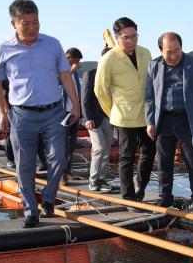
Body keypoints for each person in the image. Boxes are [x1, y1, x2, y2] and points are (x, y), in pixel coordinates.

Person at [0, 0, 80, 228]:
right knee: (25, 165)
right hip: (21, 116)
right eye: (25, 23)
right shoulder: (3, 48)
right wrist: (2, 111)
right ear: (13, 24)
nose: (32, 27)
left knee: (59, 157)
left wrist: (76, 105)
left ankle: (49, 198)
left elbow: (65, 76)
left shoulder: (52, 44)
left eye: (36, 22)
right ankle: (31, 211)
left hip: (53, 112)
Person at [145, 32, 193, 212]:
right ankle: (164, 198)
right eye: (169, 52)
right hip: (163, 120)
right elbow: (149, 97)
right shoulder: (153, 66)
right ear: (160, 50)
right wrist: (150, 121)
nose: (173, 56)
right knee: (163, 163)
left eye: (177, 51)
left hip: (188, 120)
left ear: (182, 48)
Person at [94, 17, 155, 202]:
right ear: (116, 37)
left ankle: (140, 184)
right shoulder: (109, 59)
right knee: (126, 157)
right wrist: (111, 111)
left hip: (146, 113)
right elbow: (100, 90)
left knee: (149, 152)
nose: (131, 41)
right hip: (123, 115)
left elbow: (152, 82)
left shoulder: (146, 53)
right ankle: (128, 197)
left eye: (134, 36)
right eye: (126, 37)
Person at [81, 46, 116, 192]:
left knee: (107, 148)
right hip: (93, 118)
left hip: (109, 117)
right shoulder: (91, 74)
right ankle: (93, 181)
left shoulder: (115, 76)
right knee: (99, 148)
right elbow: (85, 99)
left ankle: (101, 179)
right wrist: (87, 118)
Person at [61, 47, 83, 185]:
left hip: (74, 112)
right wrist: (72, 69)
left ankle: (68, 171)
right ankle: (61, 174)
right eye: (74, 61)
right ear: (68, 58)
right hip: (62, 112)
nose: (77, 64)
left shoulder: (74, 73)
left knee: (71, 144)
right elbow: (59, 81)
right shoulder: (59, 68)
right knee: (62, 144)